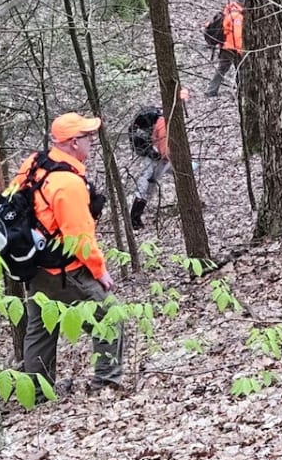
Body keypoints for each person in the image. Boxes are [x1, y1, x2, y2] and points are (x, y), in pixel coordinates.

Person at [16, 112, 125, 396]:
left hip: (34, 265)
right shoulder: (68, 184)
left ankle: (36, 394)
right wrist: (100, 271)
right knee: (110, 316)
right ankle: (106, 383)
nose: (92, 141)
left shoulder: (33, 164)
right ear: (74, 142)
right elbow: (79, 237)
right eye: (88, 137)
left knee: (40, 330)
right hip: (65, 270)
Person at [129, 106, 170, 230]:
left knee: (148, 187)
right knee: (146, 186)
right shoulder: (163, 124)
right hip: (154, 157)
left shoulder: (160, 122)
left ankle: (135, 218)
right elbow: (164, 150)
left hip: (155, 155)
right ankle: (134, 219)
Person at [205, 0, 244, 97]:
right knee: (241, 69)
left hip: (225, 46)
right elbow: (237, 36)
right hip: (233, 47)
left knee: (222, 69)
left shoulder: (230, 10)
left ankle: (211, 90)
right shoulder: (237, 17)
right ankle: (241, 92)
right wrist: (241, 51)